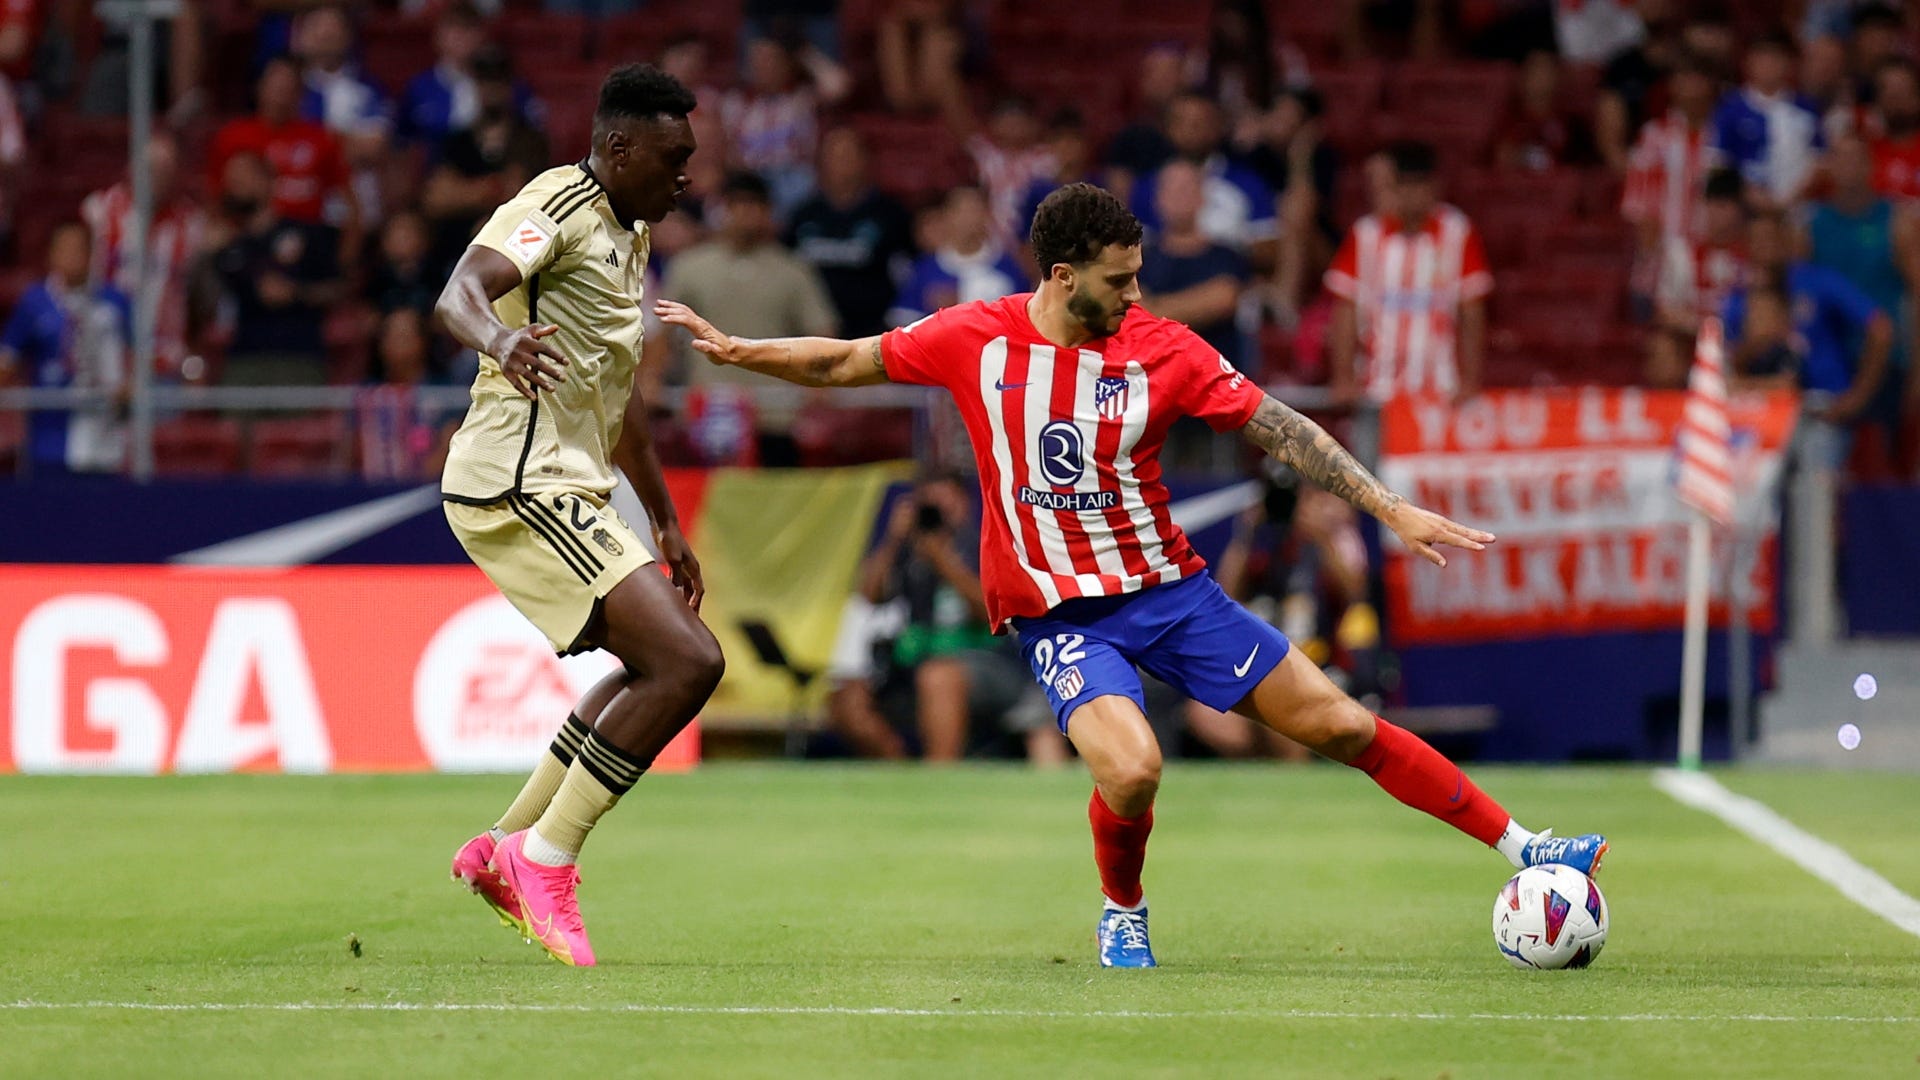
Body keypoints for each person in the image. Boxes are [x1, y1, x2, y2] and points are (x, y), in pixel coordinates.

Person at [656, 182, 1608, 969]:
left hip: (1175, 596)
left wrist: (1386, 507)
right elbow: (847, 361)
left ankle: (1528, 848)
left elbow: (1281, 426)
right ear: (1064, 277)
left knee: (1345, 723)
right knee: (1135, 767)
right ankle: (1124, 909)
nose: (1138, 295)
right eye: (1121, 281)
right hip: (1065, 617)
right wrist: (743, 354)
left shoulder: (1164, 351)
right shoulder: (976, 339)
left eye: (1141, 274)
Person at [435, 64, 718, 968]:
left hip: (573, 482)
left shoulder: (627, 237)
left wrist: (667, 524)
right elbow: (458, 294)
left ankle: (502, 846)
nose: (685, 176)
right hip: (517, 479)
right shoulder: (556, 202)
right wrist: (501, 338)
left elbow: (619, 392)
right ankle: (543, 858)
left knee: (654, 660)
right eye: (671, 157)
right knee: (688, 661)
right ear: (618, 146)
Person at [856, 474, 1069, 765]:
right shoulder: (907, 550)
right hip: (915, 661)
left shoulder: (984, 545)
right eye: (929, 504)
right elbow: (869, 596)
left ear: (964, 504)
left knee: (939, 676)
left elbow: (991, 614)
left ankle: (940, 775)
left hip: (989, 662)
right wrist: (892, 540)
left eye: (946, 502)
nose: (938, 512)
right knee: (848, 697)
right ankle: (899, 771)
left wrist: (943, 561)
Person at [661, 169, 839, 464]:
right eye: (736, 205)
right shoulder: (689, 267)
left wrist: (818, 383)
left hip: (774, 416)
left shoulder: (792, 271)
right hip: (705, 414)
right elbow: (662, 333)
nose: (745, 215)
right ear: (722, 209)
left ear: (767, 212)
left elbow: (822, 333)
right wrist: (651, 378)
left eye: (754, 206)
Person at [1724, 208, 1892, 469]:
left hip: (1818, 408)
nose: (1764, 246)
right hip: (1761, 407)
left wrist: (1854, 400)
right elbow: (1727, 362)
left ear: (1785, 239)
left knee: (1813, 487)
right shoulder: (1739, 296)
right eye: (1756, 239)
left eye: (1770, 237)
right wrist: (1764, 339)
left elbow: (1880, 328)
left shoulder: (1817, 281)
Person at [1325, 141, 1491, 404]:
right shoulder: (1366, 235)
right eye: (1405, 185)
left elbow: (1471, 310)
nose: (1413, 194)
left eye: (1420, 185)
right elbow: (1345, 311)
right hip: (1376, 388)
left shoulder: (1457, 232)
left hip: (1442, 389)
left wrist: (1470, 380)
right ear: (1395, 187)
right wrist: (1343, 378)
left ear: (1434, 187)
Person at [193, 150, 345, 387]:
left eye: (243, 177)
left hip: (299, 358)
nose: (236, 185)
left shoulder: (306, 233)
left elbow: (338, 291)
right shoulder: (226, 247)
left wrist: (296, 293)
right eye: (231, 180)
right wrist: (206, 256)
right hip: (245, 360)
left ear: (268, 181)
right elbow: (201, 307)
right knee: (233, 423)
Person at [0, 221, 130, 474]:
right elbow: (7, 359)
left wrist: (129, 383)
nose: (72, 257)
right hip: (49, 441)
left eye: (79, 249)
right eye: (65, 249)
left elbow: (137, 356)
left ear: (92, 254)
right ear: (51, 255)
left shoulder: (115, 302)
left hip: (103, 440)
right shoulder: (33, 303)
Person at [785, 126, 915, 339]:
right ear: (821, 162)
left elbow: (909, 270)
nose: (841, 163)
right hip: (813, 334)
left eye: (848, 155)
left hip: (872, 334)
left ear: (865, 160)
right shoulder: (803, 215)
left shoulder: (890, 214)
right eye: (834, 156)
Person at [1139, 159, 1250, 372]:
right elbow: (1131, 312)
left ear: (1202, 197)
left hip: (1215, 383)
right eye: (1172, 189)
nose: (1179, 197)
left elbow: (1222, 300)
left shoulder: (1225, 256)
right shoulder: (1139, 258)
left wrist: (1155, 310)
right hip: (1156, 380)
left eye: (1186, 188)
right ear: (1158, 199)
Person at [1711, 30, 1824, 207]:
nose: (1769, 65)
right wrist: (1749, 194)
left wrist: (1793, 197)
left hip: (1798, 208)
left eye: (1776, 58)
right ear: (1748, 62)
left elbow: (1820, 160)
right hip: (1747, 210)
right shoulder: (1730, 109)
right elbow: (1719, 161)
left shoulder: (1806, 109)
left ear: (1789, 64)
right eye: (1762, 57)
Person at [889, 185, 1024, 326]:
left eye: (974, 210)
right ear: (946, 216)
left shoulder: (1009, 269)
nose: (967, 219)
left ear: (987, 215)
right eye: (960, 211)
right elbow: (902, 323)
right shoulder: (924, 270)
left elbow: (1022, 322)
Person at [1653, 166, 1747, 334]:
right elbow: (1665, 310)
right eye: (1709, 204)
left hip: (1738, 348)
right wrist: (1705, 329)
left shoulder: (1751, 257)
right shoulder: (1681, 253)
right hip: (1690, 342)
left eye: (1722, 206)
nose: (1714, 213)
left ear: (1739, 211)